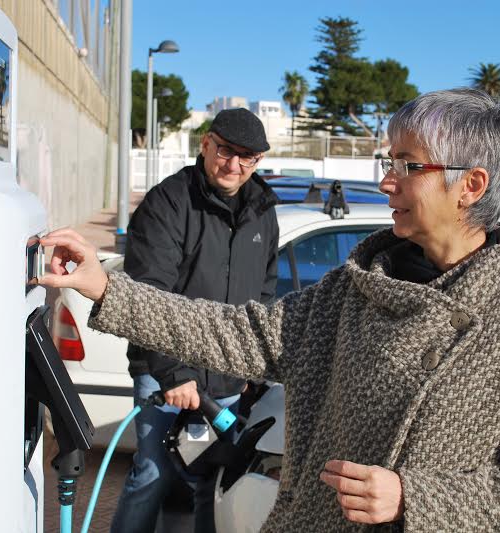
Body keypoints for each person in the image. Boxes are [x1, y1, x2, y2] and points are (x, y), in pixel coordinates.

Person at [41, 88, 500, 531]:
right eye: (389, 159)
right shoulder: (354, 289)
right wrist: (107, 288)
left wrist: (413, 497)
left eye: (408, 164)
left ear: (470, 185)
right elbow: (245, 333)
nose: (386, 179)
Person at [110, 108, 279, 533]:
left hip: (225, 378)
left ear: (258, 161)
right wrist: (174, 374)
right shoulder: (168, 202)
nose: (234, 164)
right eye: (225, 150)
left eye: (247, 157)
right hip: (167, 375)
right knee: (153, 474)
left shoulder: (263, 211)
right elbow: (148, 295)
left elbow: (263, 293)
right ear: (205, 143)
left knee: (210, 478)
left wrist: (249, 367)